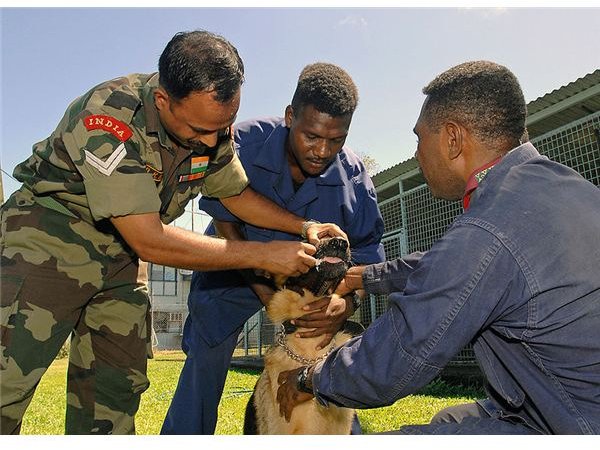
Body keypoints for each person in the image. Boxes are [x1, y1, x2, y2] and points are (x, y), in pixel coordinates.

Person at [0, 30, 344, 435]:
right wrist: (262, 254)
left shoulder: (209, 125)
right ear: (163, 100)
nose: (213, 140)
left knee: (114, 393)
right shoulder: (109, 119)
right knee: (8, 379)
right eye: (199, 130)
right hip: (46, 242)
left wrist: (303, 225)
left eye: (224, 126)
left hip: (120, 259)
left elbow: (234, 193)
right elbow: (149, 239)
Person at [276, 60, 600, 434]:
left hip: (574, 423)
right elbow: (447, 267)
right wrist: (360, 277)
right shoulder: (557, 187)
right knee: (449, 419)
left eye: (419, 138)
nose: (417, 153)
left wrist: (311, 379)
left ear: (452, 138)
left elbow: (397, 357)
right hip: (559, 402)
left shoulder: (489, 227)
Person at [161, 62, 385, 434]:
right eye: (312, 136)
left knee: (325, 365)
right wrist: (264, 292)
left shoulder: (355, 178)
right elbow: (227, 217)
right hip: (233, 270)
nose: (322, 150)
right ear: (290, 116)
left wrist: (345, 303)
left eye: (337, 139)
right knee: (206, 360)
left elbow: (368, 253)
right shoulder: (243, 143)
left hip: (308, 290)